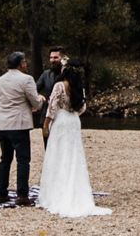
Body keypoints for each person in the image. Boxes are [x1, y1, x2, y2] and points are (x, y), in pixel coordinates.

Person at [39, 62, 111, 218]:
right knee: (74, 156)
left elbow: (52, 107)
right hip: (73, 121)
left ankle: (56, 194)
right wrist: (72, 114)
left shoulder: (59, 86)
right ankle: (75, 191)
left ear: (65, 70)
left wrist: (46, 125)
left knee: (58, 155)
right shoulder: (79, 88)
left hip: (61, 121)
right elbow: (82, 108)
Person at [0, 51, 44, 207]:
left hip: (2, 123)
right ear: (21, 63)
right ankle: (22, 194)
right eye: (25, 62)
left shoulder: (0, 79)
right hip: (19, 124)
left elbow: (1, 98)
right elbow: (35, 102)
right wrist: (41, 100)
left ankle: (1, 192)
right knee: (22, 160)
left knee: (5, 159)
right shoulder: (26, 79)